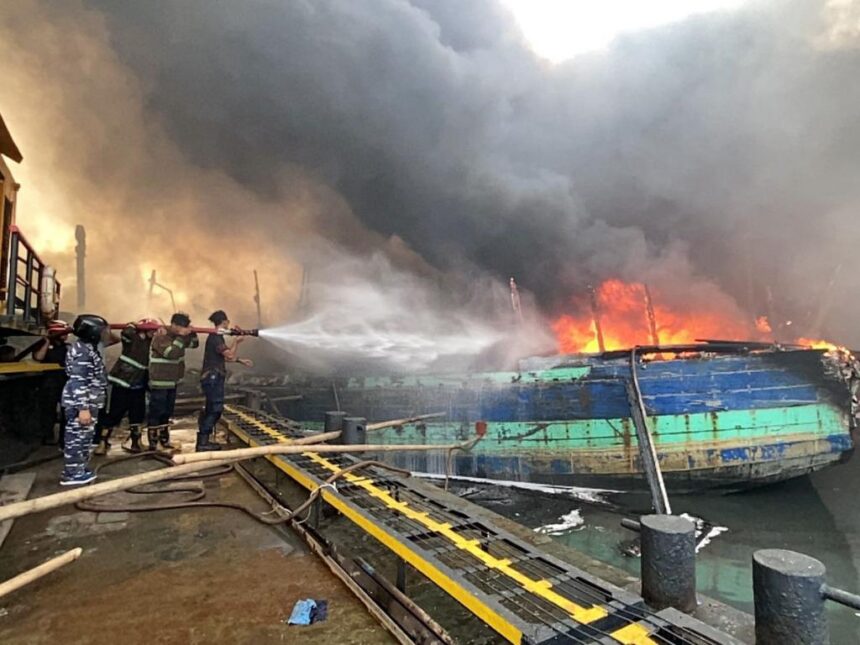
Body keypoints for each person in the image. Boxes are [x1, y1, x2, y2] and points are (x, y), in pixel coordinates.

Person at [93, 319, 158, 455]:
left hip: (138, 384)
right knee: (114, 415)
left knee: (137, 415)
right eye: (152, 330)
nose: (154, 332)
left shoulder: (147, 341)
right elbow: (126, 333)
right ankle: (102, 443)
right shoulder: (131, 339)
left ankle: (136, 443)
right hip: (123, 383)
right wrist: (132, 325)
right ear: (144, 330)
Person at [60, 314, 108, 486]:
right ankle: (71, 474)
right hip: (81, 403)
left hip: (89, 401)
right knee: (76, 439)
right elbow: (78, 381)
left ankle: (79, 469)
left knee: (84, 438)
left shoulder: (87, 348)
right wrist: (83, 408)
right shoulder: (82, 352)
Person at [197, 310, 253, 451]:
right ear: (223, 321)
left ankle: (203, 440)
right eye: (227, 321)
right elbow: (229, 355)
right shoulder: (215, 338)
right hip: (213, 378)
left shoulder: (217, 337)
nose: (229, 323)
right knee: (216, 409)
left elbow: (224, 357)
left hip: (213, 378)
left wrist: (241, 361)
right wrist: (236, 342)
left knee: (211, 408)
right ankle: (203, 441)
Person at [147, 312, 198, 452]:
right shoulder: (161, 336)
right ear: (173, 324)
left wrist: (191, 333)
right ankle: (153, 443)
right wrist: (182, 336)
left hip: (172, 381)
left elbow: (194, 344)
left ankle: (164, 440)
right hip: (160, 381)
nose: (182, 329)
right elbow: (171, 353)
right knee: (157, 411)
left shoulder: (178, 337)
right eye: (180, 327)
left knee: (167, 412)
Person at [34, 320, 73, 447]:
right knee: (48, 411)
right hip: (49, 383)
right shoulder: (43, 345)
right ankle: (47, 436)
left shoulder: (68, 347)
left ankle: (64, 439)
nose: (66, 336)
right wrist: (46, 342)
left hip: (65, 383)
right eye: (63, 333)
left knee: (66, 412)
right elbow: (38, 358)